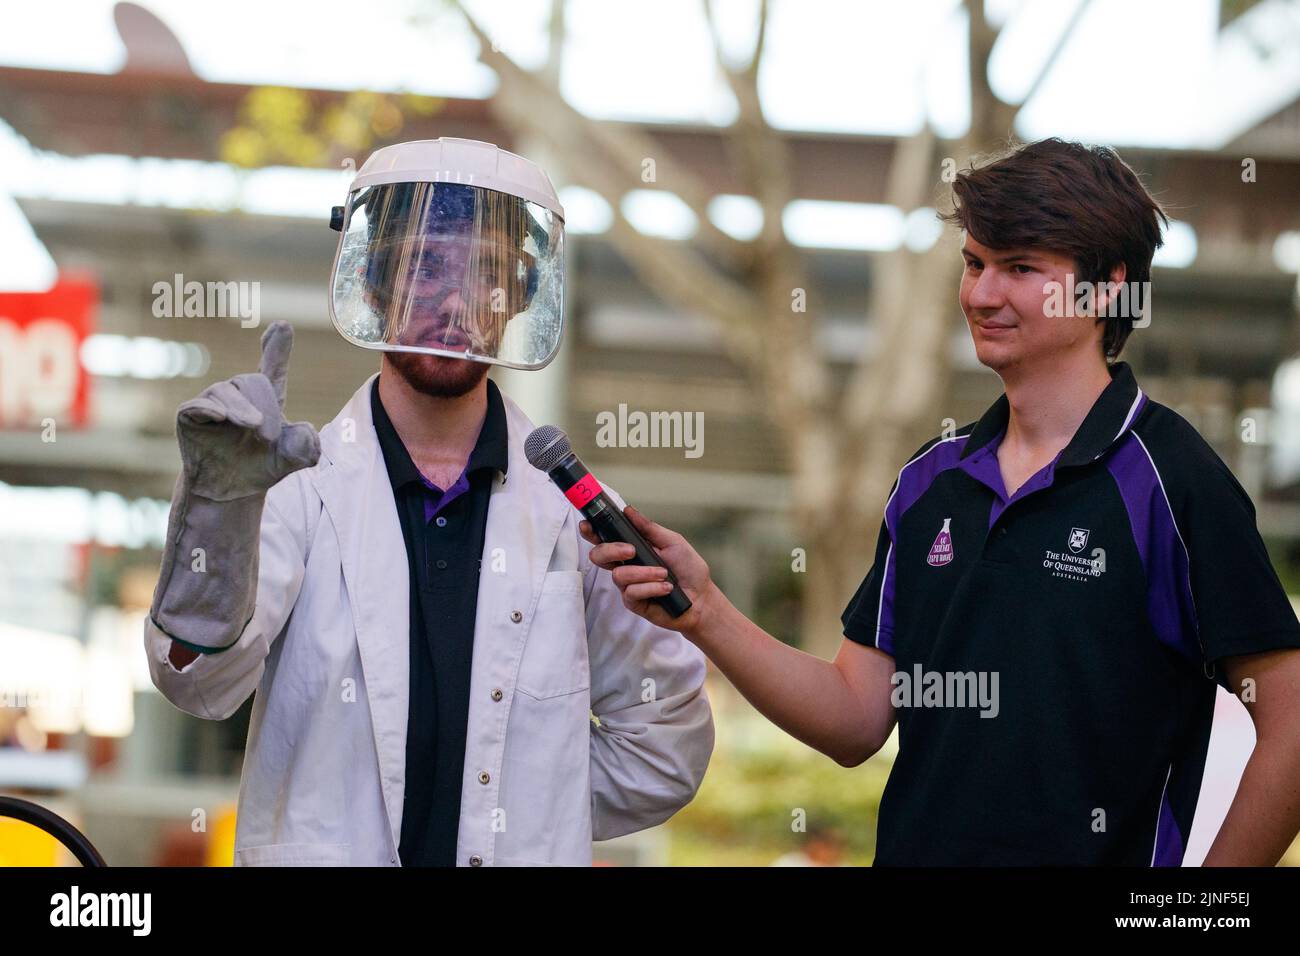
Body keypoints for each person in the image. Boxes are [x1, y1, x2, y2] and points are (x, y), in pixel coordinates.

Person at [583, 138, 1300, 866]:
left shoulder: (1175, 481)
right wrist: (706, 609)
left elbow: (1291, 722)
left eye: (1020, 268)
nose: (982, 294)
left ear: (1107, 286)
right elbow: (856, 719)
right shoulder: (930, 483)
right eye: (975, 262)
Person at [145, 137, 713, 867]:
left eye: (485, 275)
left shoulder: (574, 513)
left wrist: (522, 805)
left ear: (523, 295)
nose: (451, 302)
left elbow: (665, 746)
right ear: (374, 285)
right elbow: (196, 684)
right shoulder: (297, 489)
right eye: (424, 267)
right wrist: (218, 515)